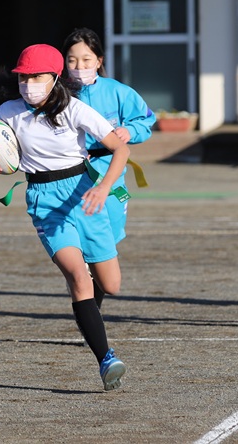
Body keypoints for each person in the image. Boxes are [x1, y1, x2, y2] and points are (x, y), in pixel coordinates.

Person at [0, 44, 131, 391]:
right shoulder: (8, 111)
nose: (28, 83)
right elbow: (6, 160)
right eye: (23, 76)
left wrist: (103, 188)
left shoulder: (75, 109)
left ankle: (87, 306)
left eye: (36, 76)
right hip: (43, 200)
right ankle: (106, 359)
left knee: (112, 284)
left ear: (55, 77)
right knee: (77, 275)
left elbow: (121, 149)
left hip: (83, 191)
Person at [62, 27, 155, 309]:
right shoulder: (58, 95)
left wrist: (130, 130)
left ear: (99, 60)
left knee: (105, 250)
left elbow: (146, 122)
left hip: (111, 178)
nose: (79, 67)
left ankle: (93, 304)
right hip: (71, 176)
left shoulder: (119, 92)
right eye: (72, 60)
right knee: (77, 253)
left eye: (87, 60)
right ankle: (86, 308)